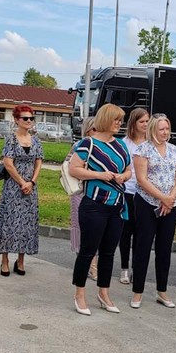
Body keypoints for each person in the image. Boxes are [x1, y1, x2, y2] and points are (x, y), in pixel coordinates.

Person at [69, 103, 132, 315]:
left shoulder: (121, 145)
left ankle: (103, 293)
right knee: (87, 251)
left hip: (116, 206)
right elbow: (74, 168)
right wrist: (99, 175)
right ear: (105, 119)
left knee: (108, 252)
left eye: (121, 120)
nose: (119, 123)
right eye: (116, 119)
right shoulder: (88, 143)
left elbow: (129, 169)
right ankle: (79, 294)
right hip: (94, 205)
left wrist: (124, 176)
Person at [131, 114, 176, 309]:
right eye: (162, 129)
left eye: (167, 128)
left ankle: (162, 291)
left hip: (170, 205)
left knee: (164, 249)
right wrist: (162, 198)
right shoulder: (142, 150)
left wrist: (170, 198)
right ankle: (137, 292)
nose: (165, 132)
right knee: (143, 247)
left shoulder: (175, 151)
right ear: (153, 129)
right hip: (147, 204)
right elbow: (142, 179)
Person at [0, 105, 44, 276]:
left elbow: (38, 162)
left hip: (30, 188)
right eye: (25, 118)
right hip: (13, 188)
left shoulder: (36, 140)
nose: (29, 121)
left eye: (31, 118)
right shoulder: (11, 139)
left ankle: (21, 261)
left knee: (26, 224)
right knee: (9, 223)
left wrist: (32, 182)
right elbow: (8, 164)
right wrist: (22, 182)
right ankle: (5, 260)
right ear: (17, 120)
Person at [118, 107, 150, 285]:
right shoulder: (125, 143)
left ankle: (137, 268)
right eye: (142, 121)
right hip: (128, 192)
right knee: (126, 231)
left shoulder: (151, 143)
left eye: (147, 121)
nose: (145, 125)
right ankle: (124, 268)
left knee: (141, 233)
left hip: (145, 194)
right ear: (134, 123)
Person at [68, 118, 99, 281]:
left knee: (95, 228)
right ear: (88, 131)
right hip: (79, 191)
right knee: (81, 227)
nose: (97, 132)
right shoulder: (80, 145)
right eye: (95, 129)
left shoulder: (103, 146)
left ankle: (92, 265)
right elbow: (68, 166)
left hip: (96, 192)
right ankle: (89, 265)